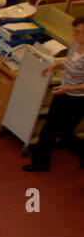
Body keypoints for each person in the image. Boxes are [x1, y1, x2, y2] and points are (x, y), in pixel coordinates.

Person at [23, 16, 84, 172]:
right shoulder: (74, 45)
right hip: (62, 92)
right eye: (74, 31)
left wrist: (69, 89)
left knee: (64, 133)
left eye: (78, 32)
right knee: (49, 129)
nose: (74, 35)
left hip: (77, 100)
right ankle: (41, 163)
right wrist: (55, 66)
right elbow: (69, 63)